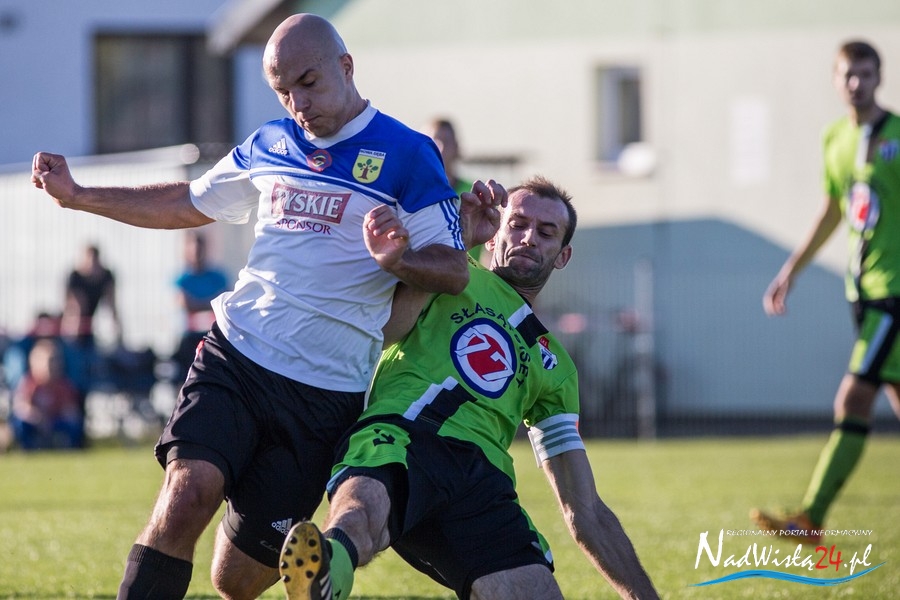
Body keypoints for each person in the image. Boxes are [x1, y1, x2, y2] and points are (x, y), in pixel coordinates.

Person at [31, 13, 475, 599]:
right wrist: (79, 195)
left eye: (308, 83)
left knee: (236, 581)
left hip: (325, 393)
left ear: (346, 67)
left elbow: (453, 270)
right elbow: (187, 202)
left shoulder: (409, 155)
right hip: (237, 356)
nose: (298, 104)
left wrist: (399, 260)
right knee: (187, 493)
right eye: (282, 91)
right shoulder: (271, 142)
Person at [279, 176, 659, 600]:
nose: (529, 238)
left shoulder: (558, 367)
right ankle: (325, 573)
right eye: (518, 224)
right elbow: (385, 332)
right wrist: (454, 239)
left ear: (563, 255)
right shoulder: (449, 275)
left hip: (482, 480)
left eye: (546, 232)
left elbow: (584, 509)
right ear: (494, 233)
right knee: (364, 507)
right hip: (405, 432)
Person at [752, 40, 900, 544]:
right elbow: (833, 209)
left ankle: (811, 517)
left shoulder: (897, 135)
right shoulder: (835, 138)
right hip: (862, 293)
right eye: (848, 75)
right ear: (837, 81)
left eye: (866, 73)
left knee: (853, 398)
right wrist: (790, 271)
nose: (857, 83)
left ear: (880, 77)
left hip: (893, 293)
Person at [171, 231, 229, 382]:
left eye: (199, 245)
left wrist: (198, 305)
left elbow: (226, 304)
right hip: (189, 339)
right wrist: (211, 304)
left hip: (214, 336)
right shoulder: (182, 279)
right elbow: (185, 305)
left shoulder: (218, 277)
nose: (196, 249)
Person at [425, 118, 485, 263]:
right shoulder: (410, 194)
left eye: (446, 142)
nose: (440, 149)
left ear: (457, 147)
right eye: (433, 142)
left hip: (468, 273)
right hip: (425, 273)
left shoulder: (475, 194)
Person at [10, 337, 84, 450]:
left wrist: (60, 418)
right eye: (47, 361)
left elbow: (71, 410)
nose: (50, 366)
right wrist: (39, 419)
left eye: (54, 361)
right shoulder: (29, 383)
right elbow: (21, 407)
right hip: (36, 421)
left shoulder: (63, 385)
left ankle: (67, 448)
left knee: (74, 424)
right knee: (20, 424)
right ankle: (27, 449)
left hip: (55, 421)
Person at [61, 243, 122, 348]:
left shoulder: (106, 277)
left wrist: (116, 326)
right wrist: (74, 325)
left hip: (91, 324)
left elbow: (112, 303)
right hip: (74, 323)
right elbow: (73, 306)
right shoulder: (75, 277)